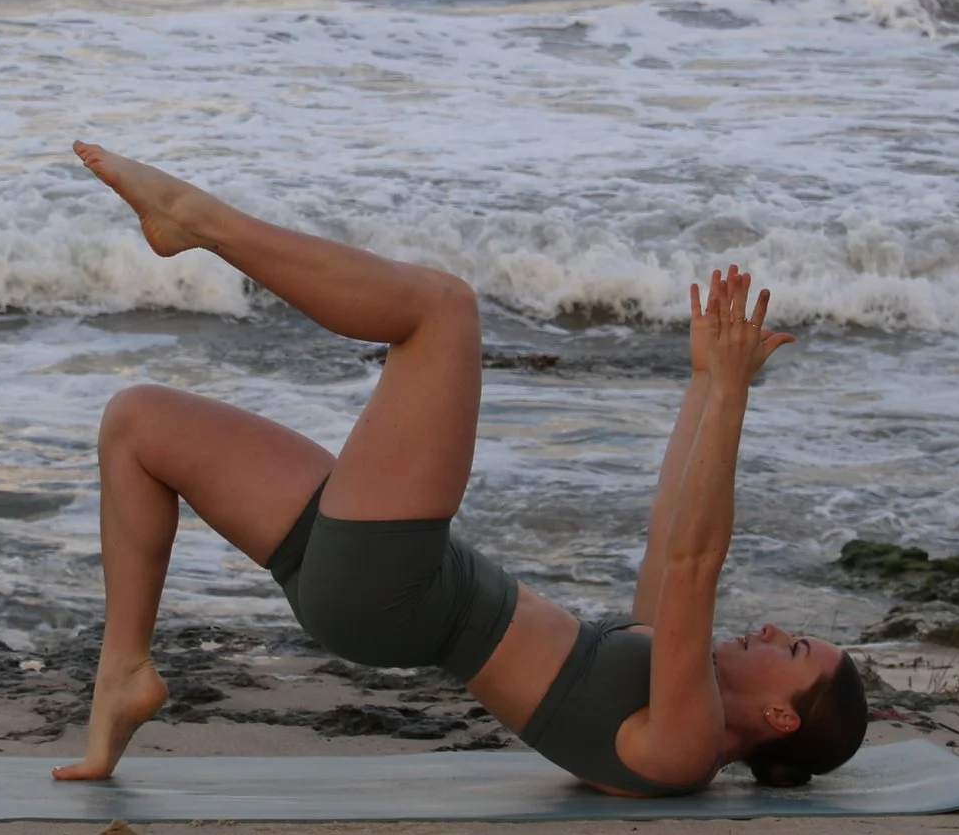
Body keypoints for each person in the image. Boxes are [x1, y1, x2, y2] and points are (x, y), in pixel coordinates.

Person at [53, 142, 869, 795]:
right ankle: (123, 675)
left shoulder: (684, 749)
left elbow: (697, 562)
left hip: (397, 591)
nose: (771, 630)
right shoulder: (670, 679)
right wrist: (705, 383)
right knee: (138, 425)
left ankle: (199, 220)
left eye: (794, 651)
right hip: (381, 584)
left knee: (442, 311)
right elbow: (668, 539)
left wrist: (730, 396)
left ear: (780, 718)